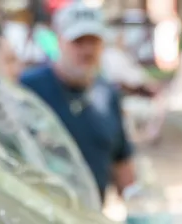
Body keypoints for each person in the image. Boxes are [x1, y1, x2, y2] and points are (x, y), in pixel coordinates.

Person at [19, 3, 136, 199]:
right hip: (43, 213)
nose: (87, 50)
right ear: (59, 41)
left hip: (92, 216)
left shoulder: (108, 93)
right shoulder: (30, 88)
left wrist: (139, 206)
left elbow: (121, 159)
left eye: (94, 41)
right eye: (78, 42)